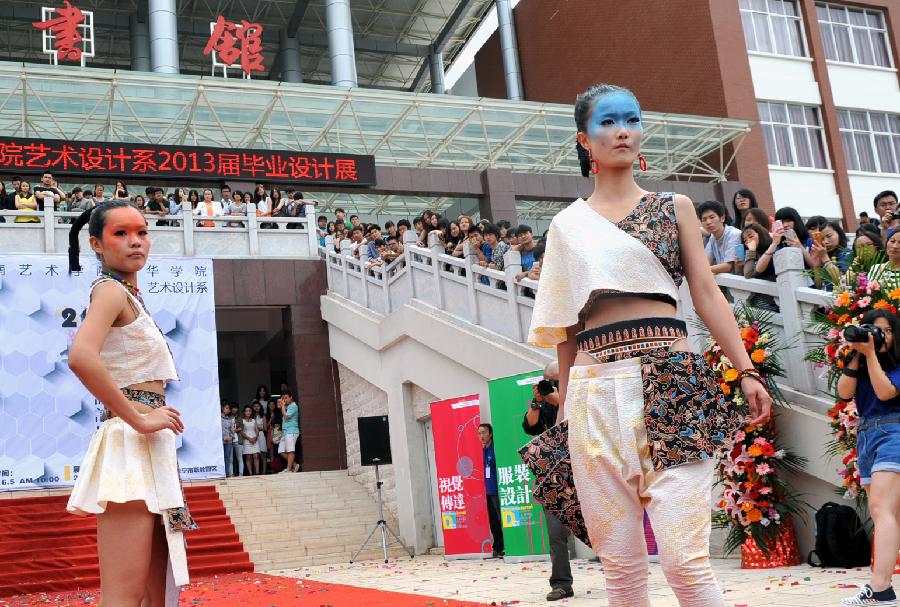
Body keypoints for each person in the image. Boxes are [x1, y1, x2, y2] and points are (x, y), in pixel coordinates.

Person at [528, 83, 771, 606]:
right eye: (608, 122)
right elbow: (566, 326)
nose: (622, 130)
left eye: (632, 120)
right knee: (621, 570)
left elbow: (706, 293)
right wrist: (569, 406)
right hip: (594, 397)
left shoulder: (674, 206)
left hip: (675, 386)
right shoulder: (566, 226)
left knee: (686, 564)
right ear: (584, 140)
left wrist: (746, 369)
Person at [65, 200, 192, 606]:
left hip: (147, 447)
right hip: (128, 446)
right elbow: (80, 356)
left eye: (142, 231)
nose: (136, 241)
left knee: (156, 595)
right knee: (125, 594)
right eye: (121, 233)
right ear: (96, 245)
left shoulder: (127, 295)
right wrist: (139, 419)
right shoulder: (108, 291)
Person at [837, 310, 900, 606]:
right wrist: (857, 354)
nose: (879, 336)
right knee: (886, 515)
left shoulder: (898, 365)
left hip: (894, 432)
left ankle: (881, 589)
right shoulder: (861, 362)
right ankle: (881, 586)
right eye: (874, 330)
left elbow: (886, 392)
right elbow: (843, 393)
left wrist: (871, 355)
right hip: (866, 436)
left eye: (886, 331)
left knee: (880, 507)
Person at [522, 361, 574, 602]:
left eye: (555, 380)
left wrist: (555, 395)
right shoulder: (542, 404)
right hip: (554, 476)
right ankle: (562, 583)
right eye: (547, 380)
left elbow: (566, 404)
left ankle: (624, 574)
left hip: (585, 471)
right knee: (555, 533)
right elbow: (530, 425)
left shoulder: (577, 392)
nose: (550, 385)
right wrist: (536, 402)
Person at [477, 423, 504, 558]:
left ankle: (506, 546)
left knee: (501, 519)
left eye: (484, 432)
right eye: (479, 433)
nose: (481, 436)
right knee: (493, 521)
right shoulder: (482, 450)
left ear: (490, 434)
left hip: (497, 490)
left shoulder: (496, 448)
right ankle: (497, 547)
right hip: (487, 491)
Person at [697, 200, 741, 274]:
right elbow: (706, 261)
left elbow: (728, 266)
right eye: (704, 219)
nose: (708, 222)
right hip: (726, 282)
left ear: (722, 218)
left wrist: (701, 270)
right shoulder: (712, 237)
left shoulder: (734, 234)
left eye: (712, 217)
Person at [810, 220, 852, 290]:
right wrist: (816, 267)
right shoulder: (826, 256)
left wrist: (825, 259)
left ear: (839, 234)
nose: (825, 242)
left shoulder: (847, 253)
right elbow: (818, 286)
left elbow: (843, 283)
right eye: (822, 239)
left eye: (829, 236)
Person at [278, 390, 301, 473]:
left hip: (292, 431)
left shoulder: (293, 405)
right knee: (281, 450)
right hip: (285, 432)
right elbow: (279, 407)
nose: (285, 400)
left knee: (290, 450)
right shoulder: (286, 406)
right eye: (283, 398)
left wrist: (283, 406)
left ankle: (288, 469)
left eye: (286, 398)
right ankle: (294, 465)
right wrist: (281, 405)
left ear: (291, 397)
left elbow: (286, 416)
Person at [241, 405, 261, 475]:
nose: (248, 412)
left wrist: (255, 437)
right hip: (247, 440)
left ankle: (257, 472)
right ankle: (250, 473)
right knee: (248, 457)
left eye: (249, 411)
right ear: (244, 412)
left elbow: (257, 430)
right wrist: (249, 438)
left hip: (255, 439)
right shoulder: (242, 421)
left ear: (251, 412)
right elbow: (242, 432)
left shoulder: (254, 420)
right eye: (246, 411)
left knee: (256, 456)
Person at [222, 403, 235, 477]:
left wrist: (230, 437)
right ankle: (221, 473)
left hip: (228, 441)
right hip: (220, 441)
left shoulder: (230, 419)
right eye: (226, 408)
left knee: (227, 458)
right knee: (220, 457)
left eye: (229, 409)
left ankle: (226, 473)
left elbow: (232, 430)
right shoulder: (217, 418)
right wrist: (222, 437)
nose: (228, 410)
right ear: (222, 408)